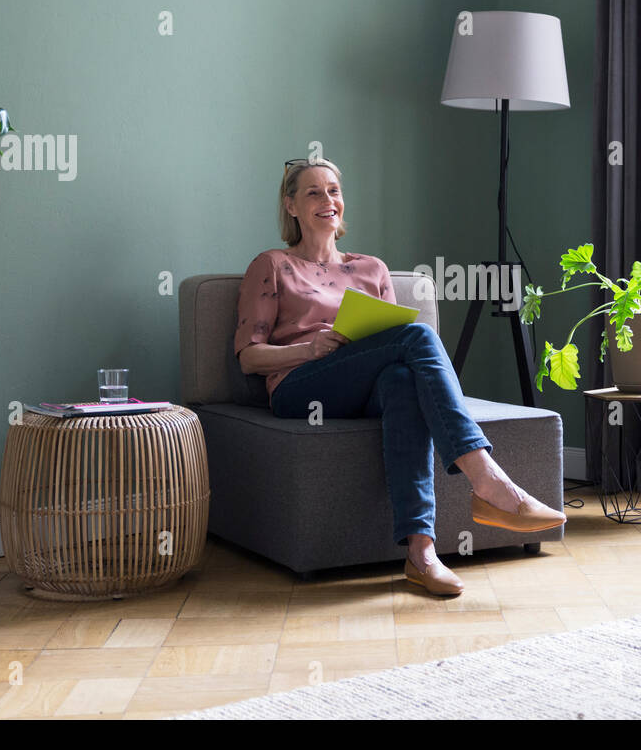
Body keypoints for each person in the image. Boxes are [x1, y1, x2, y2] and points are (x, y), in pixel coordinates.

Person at [235, 158, 566, 597]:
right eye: (313, 192)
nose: (327, 200)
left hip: (366, 384)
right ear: (291, 206)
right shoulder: (273, 265)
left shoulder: (371, 268)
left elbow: (397, 344)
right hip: (302, 386)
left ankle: (421, 554)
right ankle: (488, 482)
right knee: (417, 337)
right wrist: (308, 349)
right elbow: (248, 357)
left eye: (333, 190)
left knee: (402, 382)